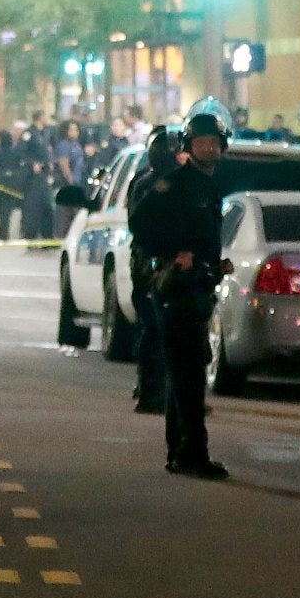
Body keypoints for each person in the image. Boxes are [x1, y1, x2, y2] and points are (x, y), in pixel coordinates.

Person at [129, 111, 232, 480]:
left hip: (198, 289)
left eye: (215, 143)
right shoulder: (173, 185)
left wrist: (213, 264)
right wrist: (174, 253)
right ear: (189, 146)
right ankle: (192, 453)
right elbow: (139, 226)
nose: (210, 148)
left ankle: (181, 451)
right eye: (203, 142)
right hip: (175, 290)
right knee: (187, 376)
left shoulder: (209, 187)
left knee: (186, 374)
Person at [123, 125, 184, 415]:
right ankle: (150, 391)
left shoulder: (187, 183)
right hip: (150, 264)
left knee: (175, 333)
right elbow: (137, 223)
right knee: (153, 330)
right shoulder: (147, 185)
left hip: (175, 265)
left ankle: (174, 393)